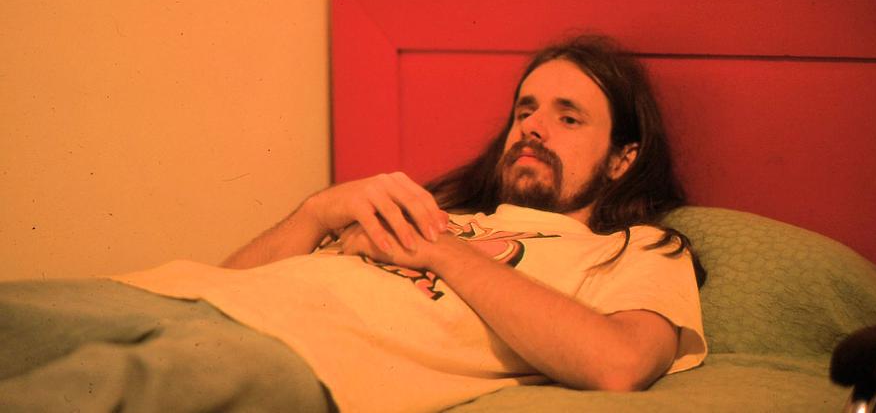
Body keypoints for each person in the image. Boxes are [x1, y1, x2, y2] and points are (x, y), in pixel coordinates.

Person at [0, 35, 706, 413]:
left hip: (310, 360)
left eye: (567, 117)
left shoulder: (636, 248)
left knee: (90, 390)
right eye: (525, 109)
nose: (532, 127)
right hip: (190, 299)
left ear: (623, 158)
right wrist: (319, 212)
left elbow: (618, 365)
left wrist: (438, 253)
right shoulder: (440, 211)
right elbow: (223, 284)